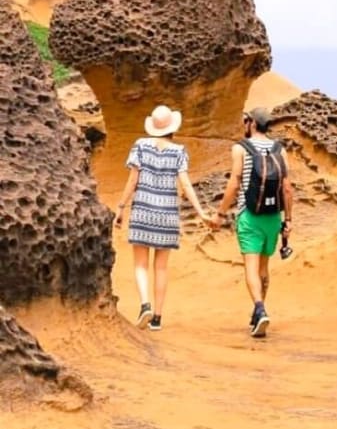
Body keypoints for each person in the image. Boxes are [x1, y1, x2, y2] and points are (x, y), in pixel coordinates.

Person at [114, 105, 210, 331]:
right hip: (167, 214)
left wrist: (120, 207)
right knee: (161, 268)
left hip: (143, 211)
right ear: (172, 128)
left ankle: (145, 304)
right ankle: (157, 317)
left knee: (140, 264)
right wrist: (201, 212)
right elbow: (185, 184)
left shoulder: (140, 145)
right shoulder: (179, 151)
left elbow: (132, 181)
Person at [211, 107, 293, 337]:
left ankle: (259, 308)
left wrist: (220, 213)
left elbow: (235, 183)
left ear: (253, 124)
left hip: (249, 215)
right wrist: (288, 220)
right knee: (264, 268)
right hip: (272, 216)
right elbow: (286, 187)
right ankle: (260, 311)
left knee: (250, 266)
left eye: (246, 120)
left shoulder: (240, 149)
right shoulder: (280, 150)